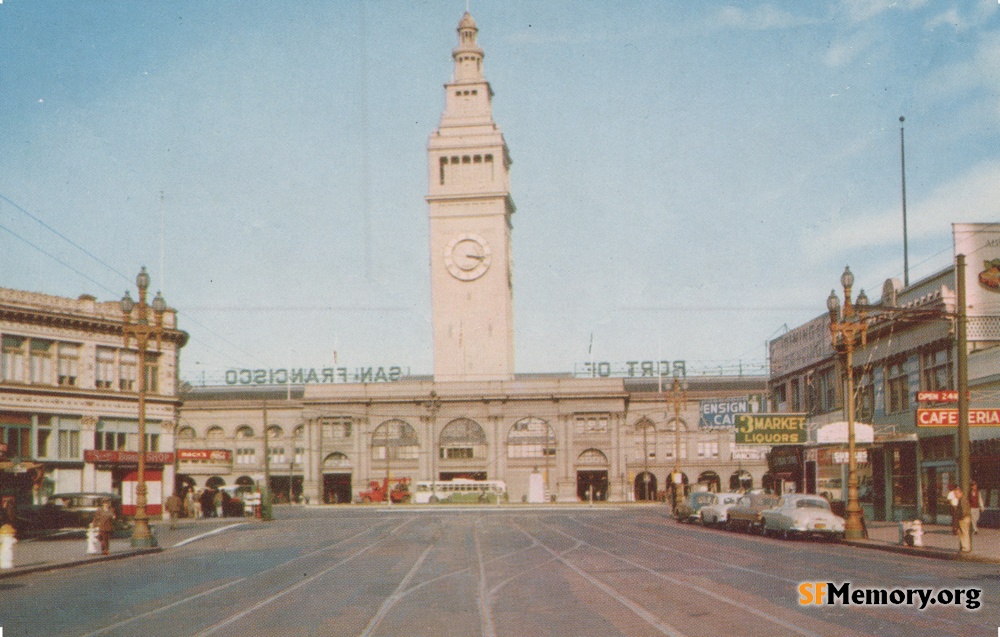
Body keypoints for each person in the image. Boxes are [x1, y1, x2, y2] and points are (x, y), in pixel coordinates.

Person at [952, 485, 972, 553]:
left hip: (964, 519)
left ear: (961, 493)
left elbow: (964, 511)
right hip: (965, 518)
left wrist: (960, 517)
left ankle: (965, 548)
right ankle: (965, 547)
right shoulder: (961, 500)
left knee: (964, 533)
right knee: (963, 533)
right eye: (955, 493)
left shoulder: (962, 500)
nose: (956, 495)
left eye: (957, 493)